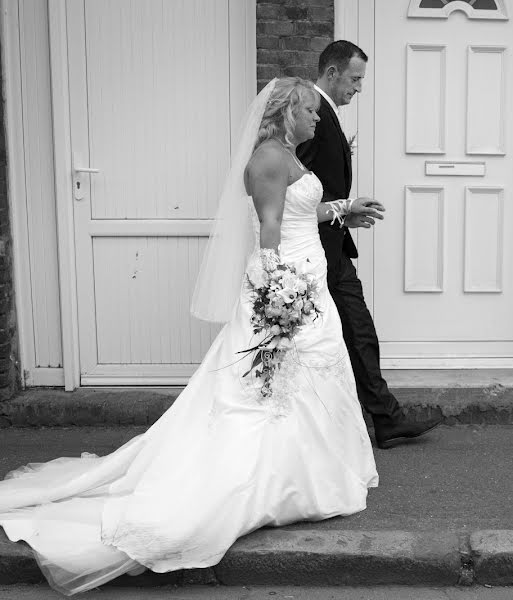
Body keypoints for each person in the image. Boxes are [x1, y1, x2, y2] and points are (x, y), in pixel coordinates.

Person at [0, 78, 384, 596]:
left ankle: (314, 474)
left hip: (308, 279)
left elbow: (298, 212)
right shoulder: (267, 159)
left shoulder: (287, 155)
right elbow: (268, 226)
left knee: (307, 381)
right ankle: (276, 483)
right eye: (311, 113)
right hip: (289, 286)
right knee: (269, 391)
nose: (318, 120)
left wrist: (342, 209)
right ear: (288, 112)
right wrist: (278, 292)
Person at [298, 40, 442, 449]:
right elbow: (292, 190)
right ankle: (376, 419)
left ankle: (383, 417)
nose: (359, 88)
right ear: (331, 73)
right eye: (355, 78)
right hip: (316, 251)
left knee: (353, 332)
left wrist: (345, 216)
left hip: (330, 243)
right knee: (347, 333)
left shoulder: (324, 114)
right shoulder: (314, 117)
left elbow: (309, 190)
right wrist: (343, 207)